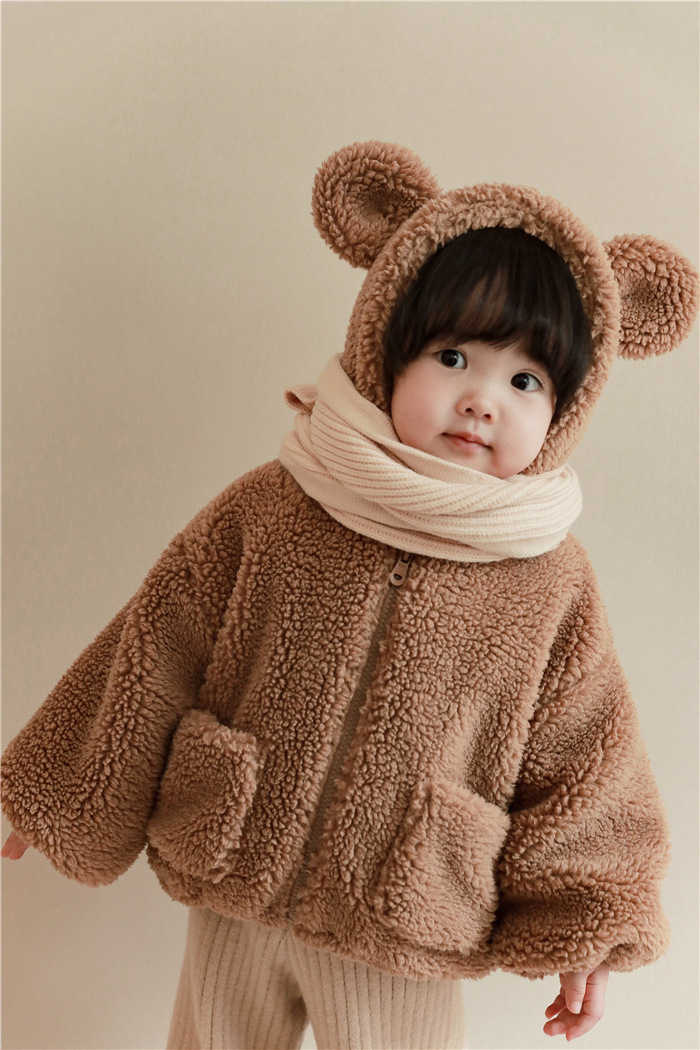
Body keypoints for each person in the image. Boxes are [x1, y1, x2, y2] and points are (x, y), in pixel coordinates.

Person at [2, 141, 697, 1050]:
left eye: (525, 379)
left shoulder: (548, 582)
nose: (483, 399)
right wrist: (57, 788)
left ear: (566, 409)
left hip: (403, 916)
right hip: (236, 873)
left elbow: (589, 756)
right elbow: (155, 643)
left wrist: (591, 930)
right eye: (453, 355)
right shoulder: (278, 505)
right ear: (386, 349)